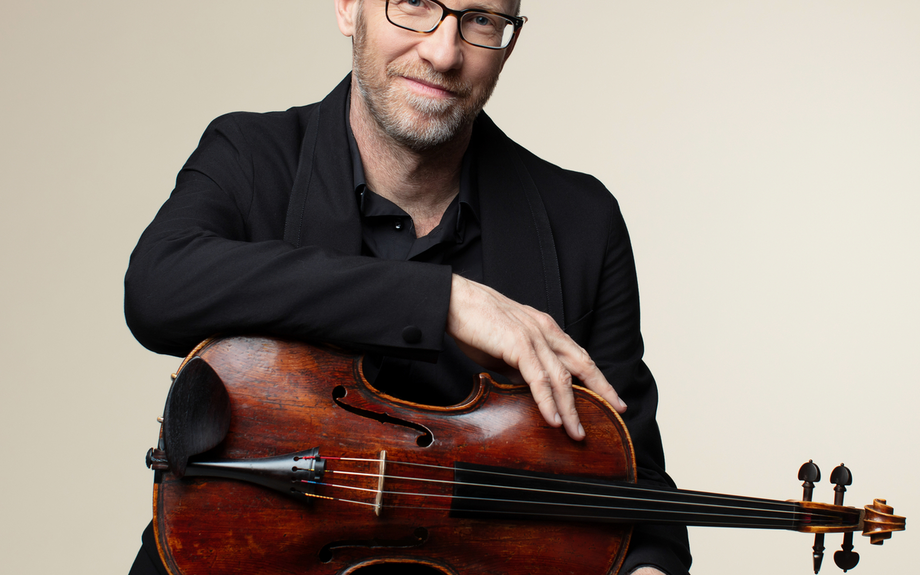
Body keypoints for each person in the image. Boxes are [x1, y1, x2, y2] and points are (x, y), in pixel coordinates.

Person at [125, 1, 692, 574]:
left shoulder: (582, 221)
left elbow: (634, 483)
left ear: (510, 42)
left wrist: (647, 567)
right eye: (415, 2)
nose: (444, 52)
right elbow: (156, 289)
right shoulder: (250, 155)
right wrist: (442, 301)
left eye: (481, 19)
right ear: (349, 8)